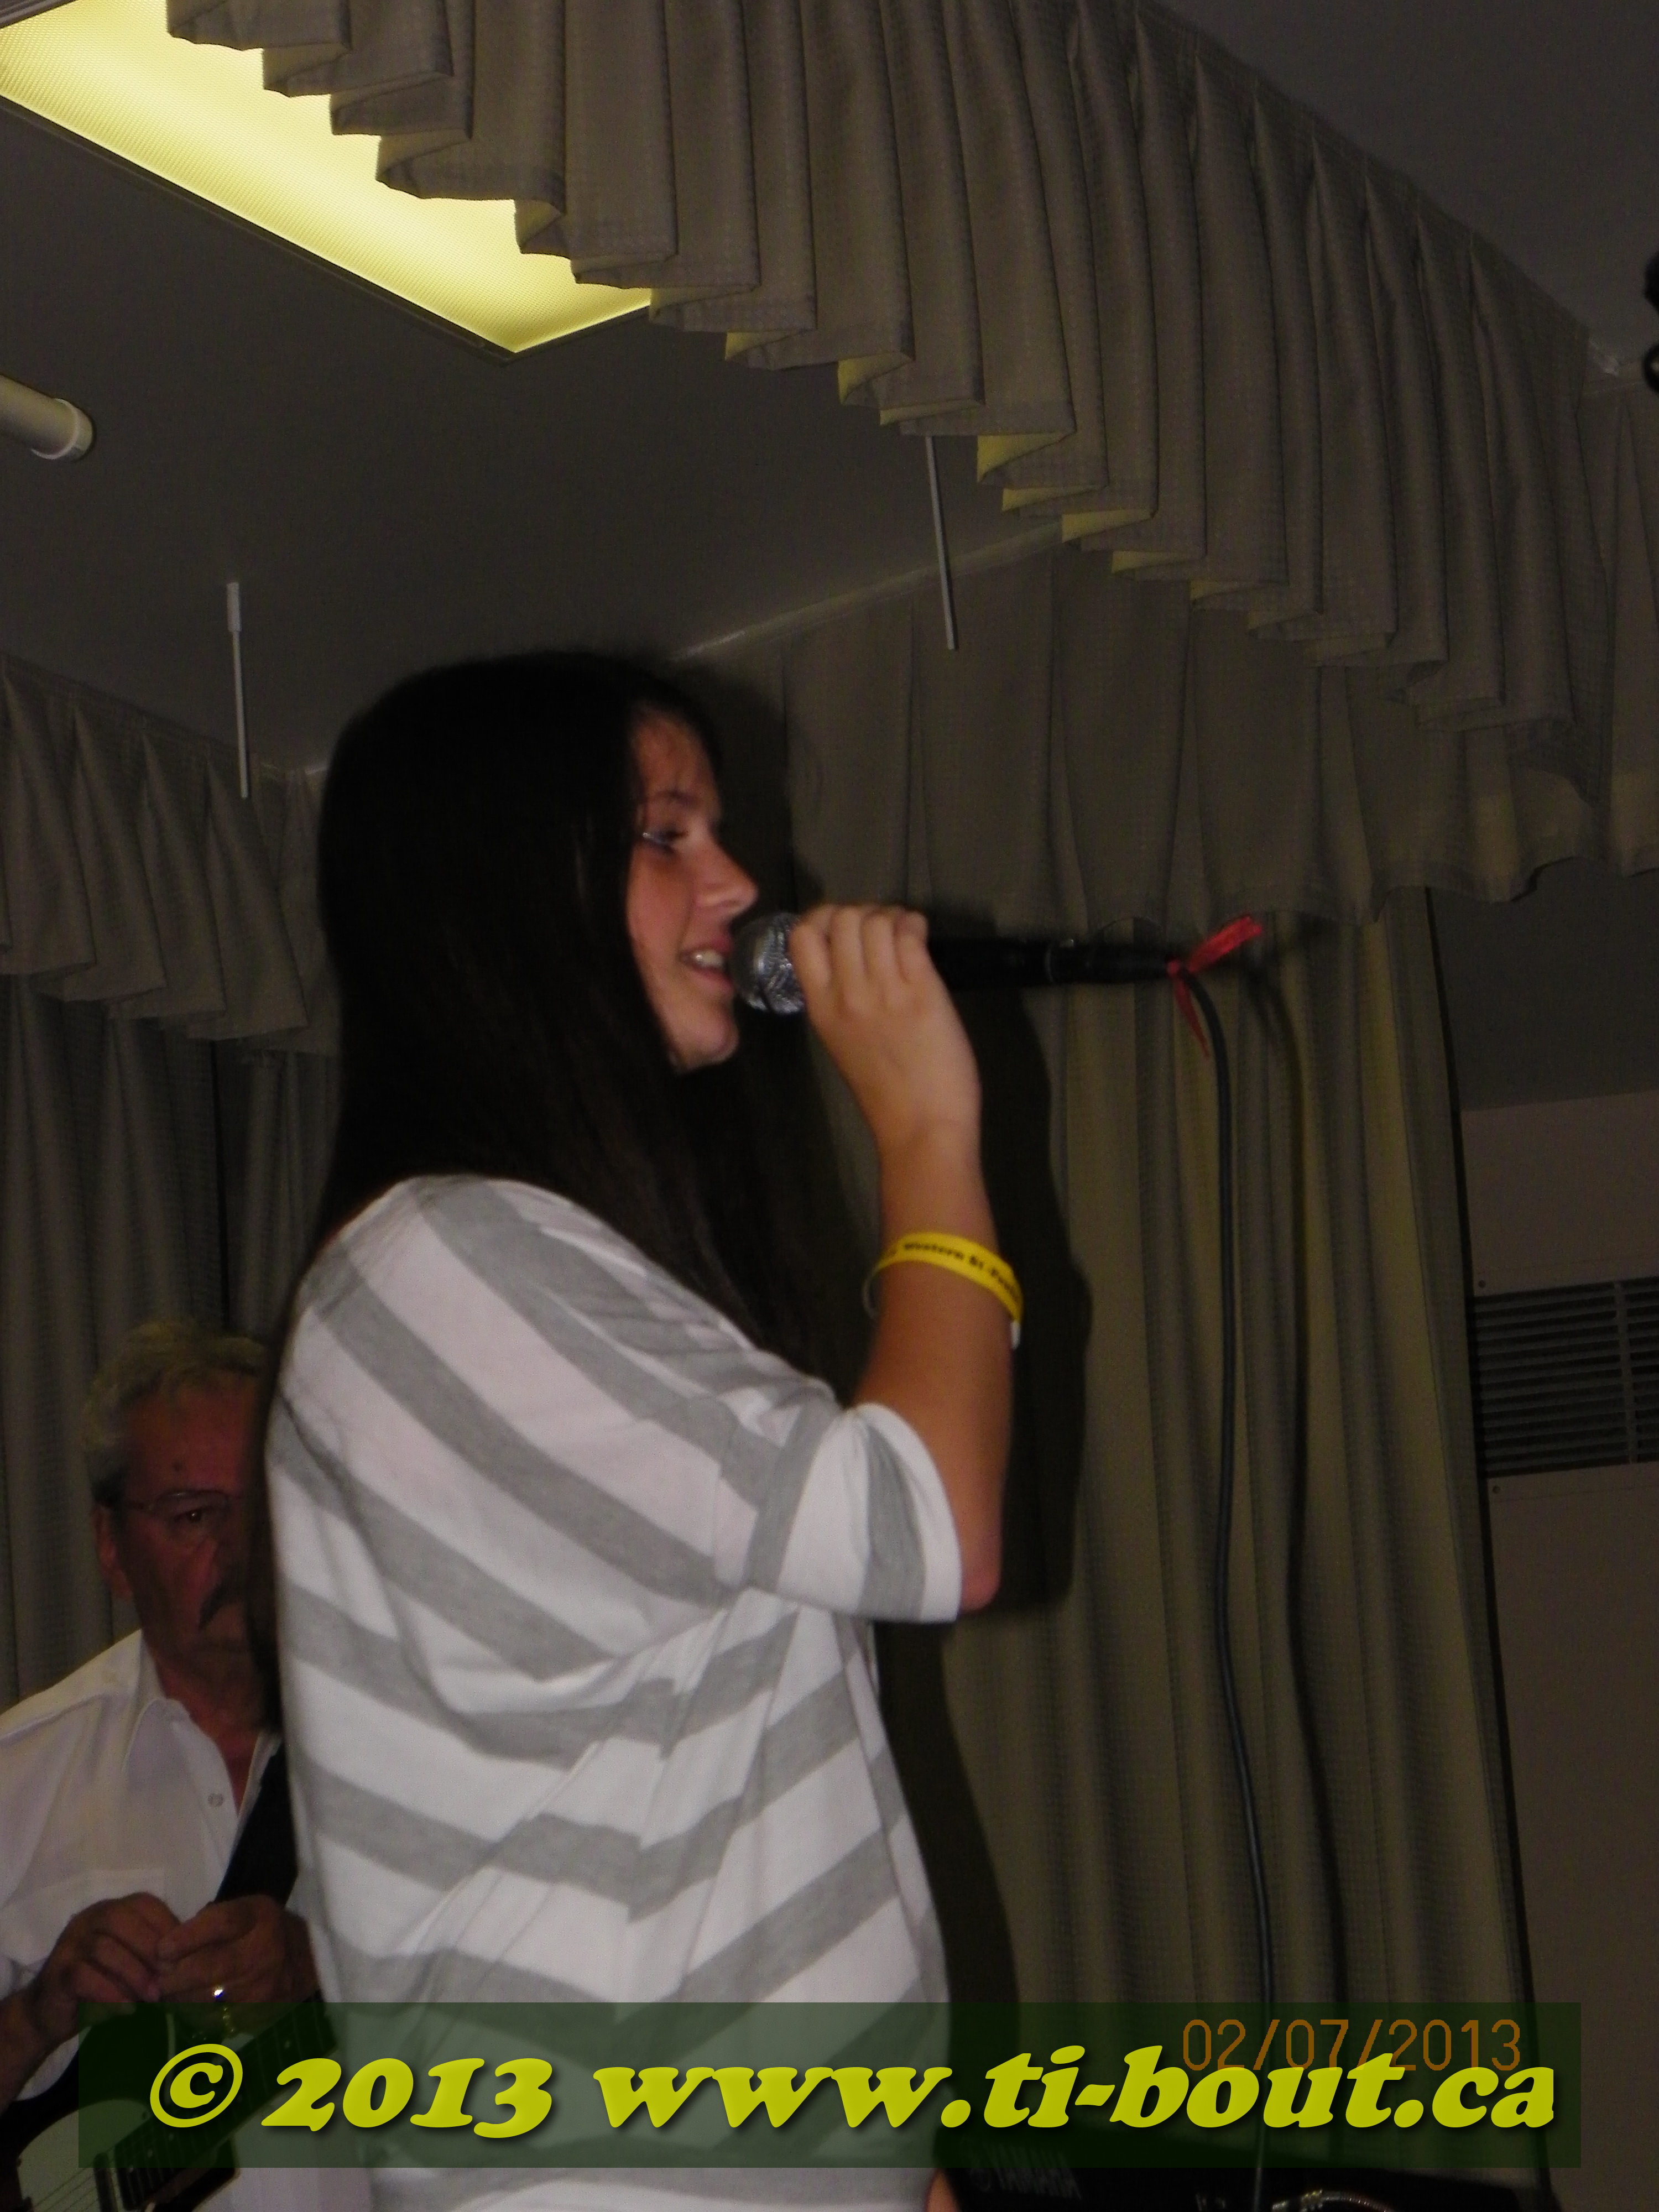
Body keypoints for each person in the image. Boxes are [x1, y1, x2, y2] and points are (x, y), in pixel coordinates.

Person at [262, 654, 1013, 2207]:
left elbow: (719, 1738)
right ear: (504, 898)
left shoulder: (558, 1274)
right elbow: (930, 1520)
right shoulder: (440, 1266)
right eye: (666, 835)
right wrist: (931, 1127)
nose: (739, 886)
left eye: (717, 832)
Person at [0, 1321, 319, 2126]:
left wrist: (327, 1972)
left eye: (262, 1506)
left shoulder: (413, 1752)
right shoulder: (16, 1778)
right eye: (193, 1514)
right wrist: (36, 2016)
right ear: (111, 1547)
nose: (239, 1550)